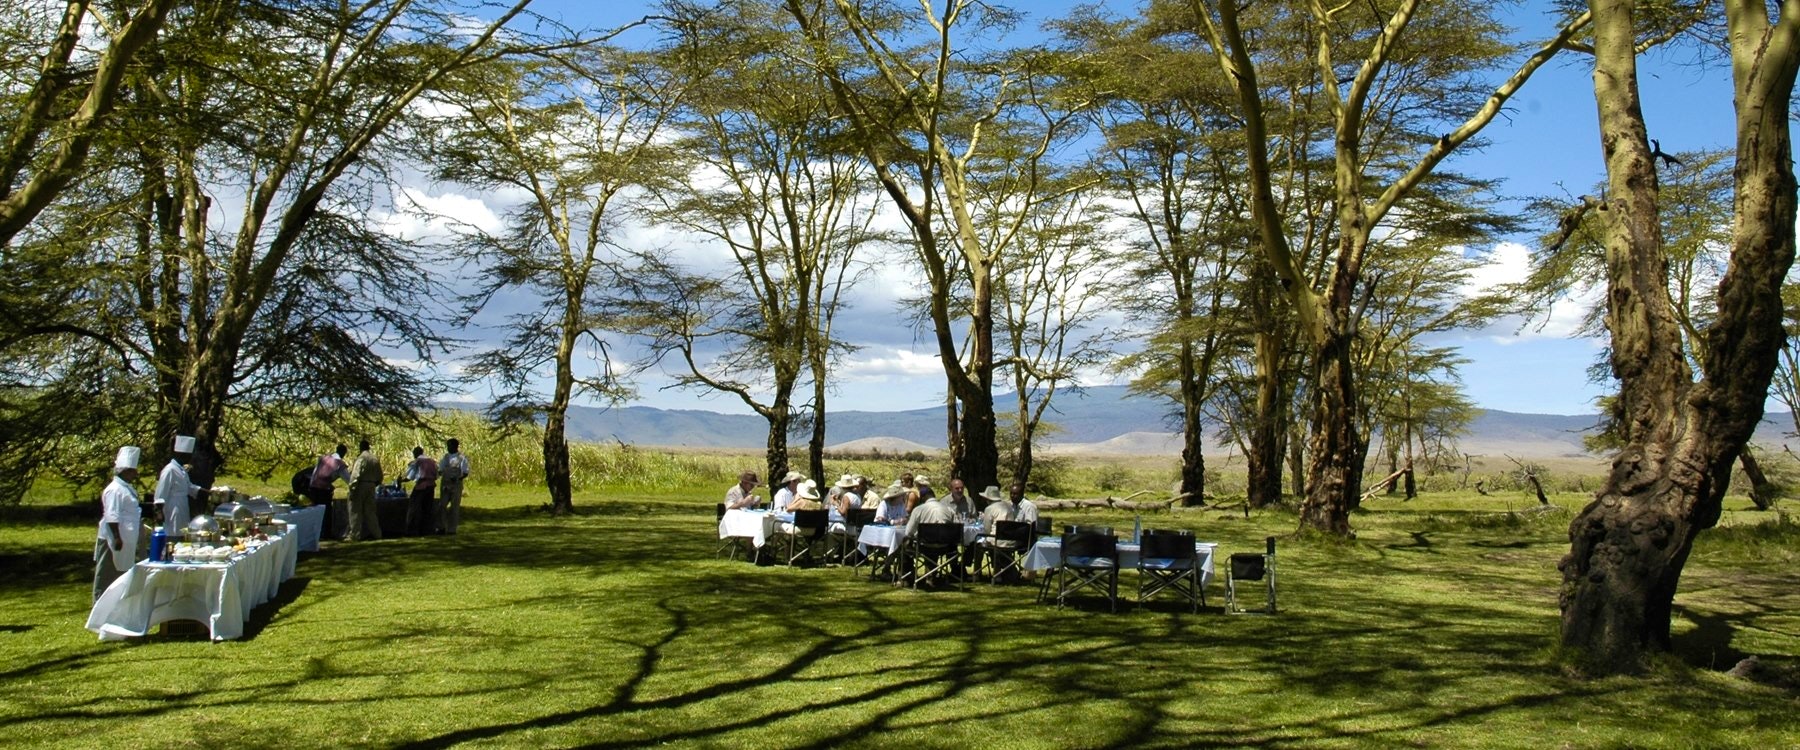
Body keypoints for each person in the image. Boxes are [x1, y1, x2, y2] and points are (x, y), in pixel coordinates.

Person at [95, 446, 143, 602]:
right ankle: (99, 602)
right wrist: (116, 537)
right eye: (132, 471)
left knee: (119, 571)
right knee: (107, 571)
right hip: (114, 537)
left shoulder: (126, 489)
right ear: (125, 471)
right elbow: (112, 514)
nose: (135, 474)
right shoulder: (114, 490)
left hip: (126, 536)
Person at [154, 435, 196, 533]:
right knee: (173, 530)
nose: (190, 458)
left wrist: (205, 492)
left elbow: (189, 487)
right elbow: (160, 493)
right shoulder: (170, 470)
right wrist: (159, 511)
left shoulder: (181, 470)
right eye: (188, 455)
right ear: (180, 454)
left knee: (182, 530)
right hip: (173, 507)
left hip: (183, 506)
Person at [309, 444, 350, 540]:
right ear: (344, 453)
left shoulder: (324, 458)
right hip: (323, 489)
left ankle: (316, 533)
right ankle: (325, 534)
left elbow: (316, 472)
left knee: (316, 510)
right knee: (326, 512)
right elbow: (348, 480)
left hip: (313, 486)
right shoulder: (339, 464)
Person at [346, 439, 383, 541]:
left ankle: (355, 534)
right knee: (370, 511)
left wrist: (352, 488)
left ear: (361, 447)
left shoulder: (361, 459)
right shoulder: (374, 459)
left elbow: (355, 475)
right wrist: (375, 483)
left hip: (361, 485)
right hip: (371, 485)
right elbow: (380, 475)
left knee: (355, 510)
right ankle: (377, 533)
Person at [438, 438, 470, 535]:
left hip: (456, 484)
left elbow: (465, 472)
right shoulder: (446, 457)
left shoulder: (462, 458)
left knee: (454, 507)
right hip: (445, 484)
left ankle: (452, 529)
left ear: (455, 446)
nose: (448, 448)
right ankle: (441, 527)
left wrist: (458, 478)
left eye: (450, 446)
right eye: (448, 446)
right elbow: (440, 470)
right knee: (442, 506)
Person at [403, 446, 438, 536]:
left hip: (421, 486)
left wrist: (401, 480)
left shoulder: (417, 462)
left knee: (414, 507)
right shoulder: (432, 461)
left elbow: (410, 477)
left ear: (416, 453)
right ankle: (427, 529)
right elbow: (437, 474)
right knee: (427, 508)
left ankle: (412, 530)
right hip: (431, 486)